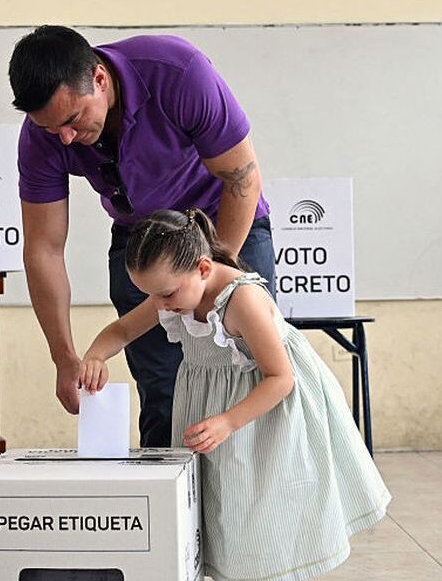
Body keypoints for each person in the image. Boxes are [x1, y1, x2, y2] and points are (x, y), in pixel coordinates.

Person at [79, 209, 390, 581]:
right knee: (224, 502)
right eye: (151, 295)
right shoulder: (175, 292)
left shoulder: (242, 300)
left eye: (165, 294)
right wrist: (95, 355)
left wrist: (228, 422)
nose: (159, 305)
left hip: (264, 411)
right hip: (216, 409)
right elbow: (122, 330)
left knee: (262, 505)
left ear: (203, 268)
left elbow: (281, 378)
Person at [9, 25, 277, 448]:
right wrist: (64, 357)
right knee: (162, 388)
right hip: (143, 241)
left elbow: (242, 179)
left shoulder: (178, 72)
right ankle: (168, 488)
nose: (65, 138)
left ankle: (257, 487)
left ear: (99, 78)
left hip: (225, 224)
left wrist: (213, 277)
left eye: (73, 120)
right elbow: (44, 249)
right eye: (50, 129)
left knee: (250, 373)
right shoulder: (42, 138)